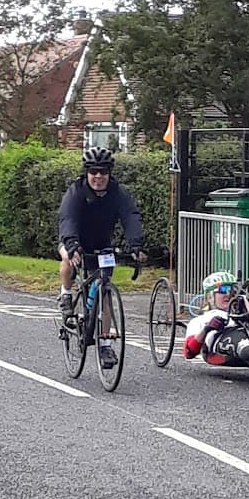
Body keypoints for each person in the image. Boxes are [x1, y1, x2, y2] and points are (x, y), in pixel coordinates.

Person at [57, 146, 147, 369]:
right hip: (74, 240)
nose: (98, 176)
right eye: (93, 171)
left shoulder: (117, 193)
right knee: (67, 259)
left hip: (102, 246)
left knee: (105, 290)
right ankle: (66, 294)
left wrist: (136, 245)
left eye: (103, 172)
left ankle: (105, 343)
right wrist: (72, 244)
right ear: (87, 172)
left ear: (110, 173)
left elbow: (130, 216)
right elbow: (67, 218)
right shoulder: (76, 192)